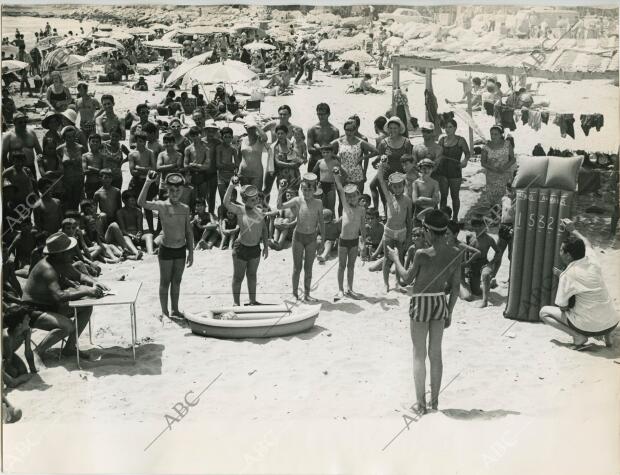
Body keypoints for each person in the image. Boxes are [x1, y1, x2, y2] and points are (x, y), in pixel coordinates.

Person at [387, 210, 461, 414]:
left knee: (418, 354)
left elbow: (406, 278)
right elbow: (455, 288)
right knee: (435, 354)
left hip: (421, 302)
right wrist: (450, 312)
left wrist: (395, 258)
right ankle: (434, 403)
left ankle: (420, 405)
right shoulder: (455, 253)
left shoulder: (421, 254)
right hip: (439, 301)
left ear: (428, 230)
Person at [22, 231, 108, 361]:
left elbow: (79, 275)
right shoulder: (47, 269)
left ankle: (69, 348)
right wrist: (87, 292)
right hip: (33, 310)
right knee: (67, 326)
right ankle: (37, 353)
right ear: (60, 254)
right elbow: (59, 296)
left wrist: (95, 283)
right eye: (69, 250)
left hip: (50, 305)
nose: (72, 252)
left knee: (86, 307)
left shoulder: (59, 262)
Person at [539, 220, 618, 350]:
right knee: (597, 300)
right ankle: (607, 336)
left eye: (561, 250)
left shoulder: (568, 274)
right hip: (612, 322)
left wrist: (562, 279)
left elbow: (563, 307)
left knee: (544, 313)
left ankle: (578, 337)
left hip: (589, 326)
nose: (560, 252)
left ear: (568, 256)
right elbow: (587, 242)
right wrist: (573, 230)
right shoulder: (592, 261)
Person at [138, 172, 193, 320]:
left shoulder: (185, 208)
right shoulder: (162, 205)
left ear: (182, 191)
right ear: (167, 191)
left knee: (177, 281)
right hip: (166, 249)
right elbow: (141, 203)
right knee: (165, 281)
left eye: (178, 191)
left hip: (181, 250)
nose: (175, 194)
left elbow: (188, 231)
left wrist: (192, 253)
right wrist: (148, 182)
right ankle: (165, 312)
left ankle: (175, 309)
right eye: (172, 191)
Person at [277, 174, 325, 301]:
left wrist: (323, 241)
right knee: (297, 268)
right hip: (298, 237)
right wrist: (280, 191)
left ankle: (307, 293)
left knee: (308, 268)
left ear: (314, 190)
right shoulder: (297, 200)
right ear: (301, 189)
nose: (306, 192)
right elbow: (279, 207)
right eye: (304, 189)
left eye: (309, 189)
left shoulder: (318, 203)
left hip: (312, 238)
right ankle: (294, 293)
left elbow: (321, 223)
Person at [224, 179, 269, 306]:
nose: (256, 201)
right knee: (238, 277)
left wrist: (265, 246)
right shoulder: (240, 210)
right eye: (252, 200)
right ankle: (236, 303)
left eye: (257, 198)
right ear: (244, 200)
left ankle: (252, 301)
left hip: (255, 249)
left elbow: (264, 230)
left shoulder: (259, 211)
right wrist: (231, 185)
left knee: (252, 275)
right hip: (241, 248)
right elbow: (226, 202)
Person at [377, 163, 413, 293]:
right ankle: (386, 283)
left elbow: (409, 220)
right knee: (387, 259)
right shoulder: (389, 198)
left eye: (400, 186)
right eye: (395, 187)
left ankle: (397, 282)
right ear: (391, 187)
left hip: (402, 231)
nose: (398, 189)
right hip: (389, 232)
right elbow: (381, 181)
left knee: (401, 258)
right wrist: (380, 167)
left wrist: (409, 237)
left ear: (404, 186)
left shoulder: (408, 200)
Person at [333, 166, 366, 301]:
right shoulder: (345, 207)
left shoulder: (361, 210)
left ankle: (350, 288)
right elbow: (340, 189)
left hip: (354, 241)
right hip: (343, 241)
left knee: (351, 266)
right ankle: (340, 289)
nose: (352, 198)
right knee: (342, 266)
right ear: (346, 198)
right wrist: (336, 176)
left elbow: (362, 226)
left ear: (358, 195)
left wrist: (363, 240)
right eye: (349, 196)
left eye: (354, 195)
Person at [371, 117, 412, 218]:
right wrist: (381, 160)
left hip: (402, 177)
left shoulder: (406, 142)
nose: (393, 130)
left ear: (400, 129)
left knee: (403, 201)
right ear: (387, 129)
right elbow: (379, 159)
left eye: (395, 128)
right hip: (386, 177)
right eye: (391, 128)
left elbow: (411, 160)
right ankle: (388, 222)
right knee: (386, 200)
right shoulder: (383, 143)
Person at [332, 118, 378, 196]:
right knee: (343, 201)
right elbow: (326, 148)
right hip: (343, 174)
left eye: (351, 130)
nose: (349, 132)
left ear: (355, 130)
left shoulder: (361, 142)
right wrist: (337, 158)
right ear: (344, 129)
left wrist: (363, 158)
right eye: (347, 130)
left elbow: (376, 151)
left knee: (358, 199)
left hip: (357, 174)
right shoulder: (339, 141)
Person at [437, 119, 470, 221]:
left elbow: (468, 153)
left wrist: (465, 161)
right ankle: (442, 218)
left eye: (450, 127)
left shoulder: (461, 140)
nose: (448, 129)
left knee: (455, 196)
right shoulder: (442, 140)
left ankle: (455, 218)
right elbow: (437, 154)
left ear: (455, 128)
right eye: (446, 127)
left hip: (455, 171)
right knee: (443, 196)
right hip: (442, 172)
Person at [479, 125, 516, 214]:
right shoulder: (486, 147)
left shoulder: (507, 144)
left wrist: (504, 168)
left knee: (505, 197)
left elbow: (513, 159)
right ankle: (494, 217)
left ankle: (504, 218)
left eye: (496, 134)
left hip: (505, 175)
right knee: (492, 198)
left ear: (501, 135)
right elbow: (483, 162)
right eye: (492, 134)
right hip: (492, 177)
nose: (493, 136)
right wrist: (494, 169)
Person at [128, 131, 157, 233]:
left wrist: (139, 167)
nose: (142, 143)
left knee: (148, 207)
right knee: (137, 207)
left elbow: (153, 169)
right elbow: (132, 172)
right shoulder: (132, 154)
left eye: (144, 141)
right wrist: (146, 169)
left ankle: (151, 229)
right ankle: (138, 230)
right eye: (140, 141)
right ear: (136, 141)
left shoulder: (150, 152)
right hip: (137, 182)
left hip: (148, 182)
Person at [465, 217, 498, 308]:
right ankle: (491, 283)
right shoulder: (469, 236)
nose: (477, 229)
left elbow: (498, 251)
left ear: (484, 226)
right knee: (476, 291)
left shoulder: (489, 239)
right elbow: (466, 251)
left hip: (484, 263)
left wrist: (491, 262)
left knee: (485, 275)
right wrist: (467, 266)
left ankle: (485, 301)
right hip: (472, 265)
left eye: (480, 226)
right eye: (475, 226)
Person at [2, 306, 36, 387]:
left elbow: (28, 351)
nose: (29, 320)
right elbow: (8, 360)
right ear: (19, 325)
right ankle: (11, 381)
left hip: (6, 355)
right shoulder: (7, 337)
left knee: (23, 371)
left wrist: (33, 369)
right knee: (14, 373)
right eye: (27, 319)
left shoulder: (26, 331)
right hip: (4, 356)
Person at [2, 112, 43, 176]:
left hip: (31, 167)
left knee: (32, 185)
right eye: (20, 122)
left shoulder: (31, 133)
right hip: (15, 169)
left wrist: (41, 162)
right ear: (14, 123)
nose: (23, 124)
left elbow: (39, 151)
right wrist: (10, 170)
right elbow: (3, 157)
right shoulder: (8, 136)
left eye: (25, 122)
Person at [117, 190, 154, 255]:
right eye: (131, 201)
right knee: (125, 238)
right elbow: (122, 230)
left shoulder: (138, 211)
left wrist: (138, 235)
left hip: (137, 237)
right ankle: (136, 252)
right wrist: (131, 235)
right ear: (124, 201)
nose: (134, 202)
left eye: (135, 200)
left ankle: (150, 252)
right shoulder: (120, 212)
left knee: (149, 235)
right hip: (127, 236)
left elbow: (140, 228)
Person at [57, 125, 85, 211]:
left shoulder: (81, 148)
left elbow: (86, 162)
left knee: (77, 203)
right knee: (67, 204)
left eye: (73, 136)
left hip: (79, 179)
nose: (71, 139)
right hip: (67, 181)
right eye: (68, 137)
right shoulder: (60, 149)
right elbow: (58, 165)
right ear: (64, 137)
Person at [306, 103, 340, 173]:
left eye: (323, 114)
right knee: (311, 183)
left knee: (328, 183)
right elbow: (309, 149)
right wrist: (327, 151)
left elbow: (335, 151)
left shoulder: (334, 131)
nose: (321, 116)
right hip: (314, 162)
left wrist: (318, 148)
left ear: (328, 114)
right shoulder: (312, 129)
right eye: (319, 114)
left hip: (328, 164)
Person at [238, 119, 267, 190]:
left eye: (253, 128)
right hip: (243, 173)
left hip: (257, 174)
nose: (251, 130)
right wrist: (237, 170)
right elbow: (238, 156)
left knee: (256, 196)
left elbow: (265, 138)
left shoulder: (260, 140)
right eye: (249, 128)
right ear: (245, 128)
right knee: (245, 197)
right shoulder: (242, 140)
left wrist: (256, 126)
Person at [312, 144, 340, 214]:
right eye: (324, 152)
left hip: (331, 186)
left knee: (331, 207)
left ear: (332, 152)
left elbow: (341, 173)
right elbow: (313, 173)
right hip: (321, 186)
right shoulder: (319, 162)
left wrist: (338, 183)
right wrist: (316, 182)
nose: (326, 154)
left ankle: (332, 223)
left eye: (328, 152)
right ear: (321, 153)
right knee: (321, 206)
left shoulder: (335, 162)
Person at [215, 126, 240, 201]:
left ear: (232, 137)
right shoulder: (219, 148)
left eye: (230, 137)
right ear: (222, 137)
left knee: (232, 199)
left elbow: (237, 165)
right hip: (221, 176)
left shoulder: (233, 149)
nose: (228, 139)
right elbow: (218, 165)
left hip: (231, 176)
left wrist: (228, 165)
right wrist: (231, 165)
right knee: (223, 199)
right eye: (226, 137)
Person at [82, 134, 106, 199]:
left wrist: (91, 168)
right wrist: (99, 171)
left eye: (97, 142)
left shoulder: (102, 156)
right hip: (89, 183)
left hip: (100, 184)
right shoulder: (85, 156)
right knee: (90, 204)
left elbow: (104, 172)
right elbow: (85, 171)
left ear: (100, 143)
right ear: (89, 143)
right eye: (93, 141)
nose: (95, 143)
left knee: (101, 204)